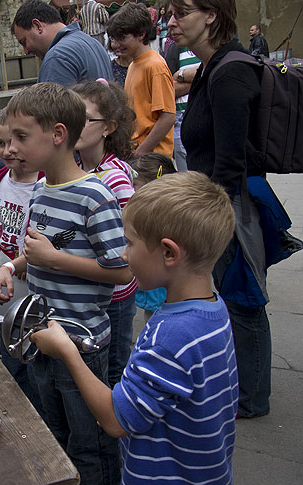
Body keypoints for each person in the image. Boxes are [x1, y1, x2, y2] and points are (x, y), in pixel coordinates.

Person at [30, 171, 238, 485]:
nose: (124, 255)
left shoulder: (171, 336)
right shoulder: (212, 310)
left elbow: (115, 421)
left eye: (129, 243)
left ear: (169, 253)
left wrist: (68, 351)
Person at [0, 82, 131, 485]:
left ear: (56, 135)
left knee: (90, 441)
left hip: (82, 343)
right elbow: (37, 253)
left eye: (21, 136)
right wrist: (10, 267)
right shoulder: (38, 189)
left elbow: (122, 272)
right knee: (54, 429)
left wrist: (55, 260)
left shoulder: (95, 196)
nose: (11, 147)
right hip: (40, 337)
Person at [169, 0, 270, 418]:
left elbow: (230, 162)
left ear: (211, 15)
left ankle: (250, 399)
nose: (172, 22)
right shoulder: (214, 67)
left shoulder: (228, 72)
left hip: (228, 204)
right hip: (219, 200)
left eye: (182, 12)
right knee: (232, 295)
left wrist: (209, 215)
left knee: (243, 298)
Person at [72, 79, 137, 387]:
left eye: (83, 118)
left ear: (108, 127)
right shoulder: (75, 168)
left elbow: (126, 246)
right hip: (89, 292)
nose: (73, 124)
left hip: (114, 298)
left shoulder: (114, 178)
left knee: (111, 370)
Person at [0, 107, 45, 418]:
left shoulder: (45, 184)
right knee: (11, 354)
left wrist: (11, 265)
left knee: (37, 360)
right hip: (6, 290)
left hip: (36, 290)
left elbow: (43, 243)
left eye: (14, 142)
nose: (8, 151)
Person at [107, 3, 175, 158]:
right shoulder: (133, 64)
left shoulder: (155, 65)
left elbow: (168, 117)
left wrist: (142, 151)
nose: (115, 45)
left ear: (141, 34)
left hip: (152, 158)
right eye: (113, 39)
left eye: (122, 38)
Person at [12, 0, 112, 86]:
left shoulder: (58, 57)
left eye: (24, 42)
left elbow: (54, 107)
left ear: (38, 26)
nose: (26, 51)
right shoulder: (94, 44)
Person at [128, 153, 177, 322]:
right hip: (157, 284)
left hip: (161, 285)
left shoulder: (161, 216)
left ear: (152, 186)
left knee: (158, 317)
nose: (131, 188)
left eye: (135, 184)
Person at [164, 42, 200, 171]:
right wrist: (201, 79)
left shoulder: (218, 46)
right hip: (181, 118)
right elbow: (169, 90)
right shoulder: (176, 48)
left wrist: (183, 74)